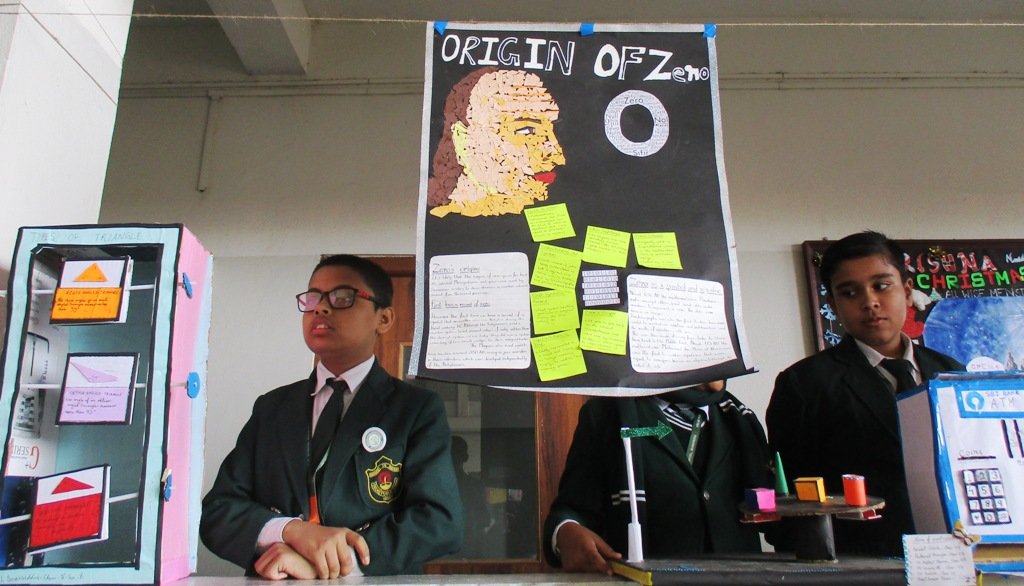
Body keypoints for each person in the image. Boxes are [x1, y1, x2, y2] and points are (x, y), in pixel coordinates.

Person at [200, 255, 463, 579]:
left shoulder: (415, 409)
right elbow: (218, 512)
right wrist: (290, 531)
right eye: (313, 298)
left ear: (383, 318)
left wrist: (334, 561)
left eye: (342, 297)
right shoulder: (272, 408)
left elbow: (439, 521)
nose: (321, 308)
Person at [766, 231, 964, 556]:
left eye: (881, 286)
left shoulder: (952, 373)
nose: (869, 302)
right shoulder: (804, 384)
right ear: (834, 305)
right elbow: (791, 497)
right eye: (849, 292)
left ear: (907, 291)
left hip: (955, 551)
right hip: (858, 560)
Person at [544, 381, 771, 575]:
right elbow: (572, 510)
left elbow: (774, 516)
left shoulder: (741, 420)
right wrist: (564, 532)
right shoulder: (607, 415)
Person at [427, 67, 565, 218]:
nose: (557, 156)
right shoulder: (441, 227)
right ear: (463, 141)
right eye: (526, 131)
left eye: (550, 130)